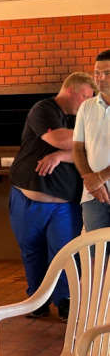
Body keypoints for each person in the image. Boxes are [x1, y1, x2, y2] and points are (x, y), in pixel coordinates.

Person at [10, 73, 96, 321]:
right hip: (26, 199)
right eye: (85, 96)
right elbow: (59, 139)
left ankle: (65, 300)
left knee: (66, 252)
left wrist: (59, 156)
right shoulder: (44, 108)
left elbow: (91, 150)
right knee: (32, 250)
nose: (87, 102)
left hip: (65, 205)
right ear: (71, 91)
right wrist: (87, 139)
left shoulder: (85, 114)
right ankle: (36, 299)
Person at [73, 50, 110, 232]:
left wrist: (101, 177)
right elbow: (77, 149)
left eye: (107, 73)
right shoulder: (86, 107)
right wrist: (91, 182)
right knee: (95, 248)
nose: (100, 78)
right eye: (96, 73)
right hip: (93, 196)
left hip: (97, 184)